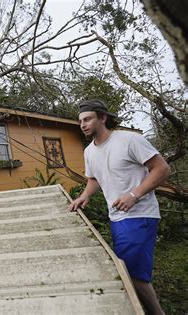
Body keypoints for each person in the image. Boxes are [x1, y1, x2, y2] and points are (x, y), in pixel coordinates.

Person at [68, 99, 171, 315]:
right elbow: (94, 178)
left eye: (88, 119)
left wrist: (134, 194)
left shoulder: (130, 140)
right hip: (116, 218)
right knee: (128, 271)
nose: (83, 125)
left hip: (140, 214)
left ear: (103, 118)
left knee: (131, 275)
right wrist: (85, 195)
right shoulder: (89, 152)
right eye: (80, 121)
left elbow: (162, 169)